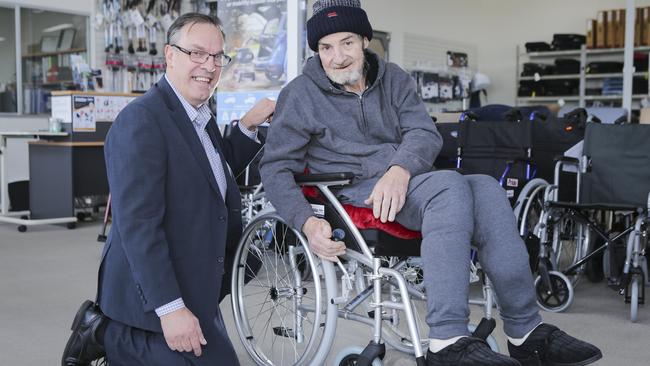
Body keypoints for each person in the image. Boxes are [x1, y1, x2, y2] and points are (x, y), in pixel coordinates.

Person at [259, 1, 602, 365]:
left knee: (486, 186)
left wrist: (399, 169)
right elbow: (276, 167)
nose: (337, 57)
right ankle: (447, 340)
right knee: (450, 186)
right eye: (326, 47)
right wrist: (306, 222)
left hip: (405, 182)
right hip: (353, 192)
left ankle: (526, 331)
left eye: (346, 43)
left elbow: (423, 131)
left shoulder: (394, 79)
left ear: (364, 40)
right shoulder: (300, 95)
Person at [61, 13, 275, 366]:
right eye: (197, 53)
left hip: (195, 288)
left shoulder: (197, 115)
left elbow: (205, 174)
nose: (209, 65)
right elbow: (138, 225)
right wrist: (171, 309)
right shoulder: (141, 121)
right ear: (169, 55)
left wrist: (247, 127)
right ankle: (108, 334)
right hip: (150, 308)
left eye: (217, 56)